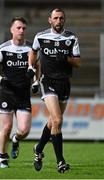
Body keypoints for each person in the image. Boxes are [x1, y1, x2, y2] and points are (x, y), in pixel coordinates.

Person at [28, 8, 81, 173]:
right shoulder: (41, 36)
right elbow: (33, 52)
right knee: (58, 121)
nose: (59, 21)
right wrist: (31, 67)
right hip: (48, 81)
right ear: (50, 20)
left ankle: (38, 149)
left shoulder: (71, 38)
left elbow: (78, 62)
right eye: (56, 18)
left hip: (64, 82)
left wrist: (66, 58)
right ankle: (61, 162)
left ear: (64, 20)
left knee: (52, 122)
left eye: (61, 18)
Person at [0, 16, 37, 168]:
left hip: (23, 94)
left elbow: (37, 64)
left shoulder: (30, 49)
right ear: (11, 30)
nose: (21, 30)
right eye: (18, 28)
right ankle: (2, 157)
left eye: (23, 28)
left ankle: (15, 140)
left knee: (24, 130)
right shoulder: (3, 48)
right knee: (6, 127)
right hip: (6, 93)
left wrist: (36, 81)